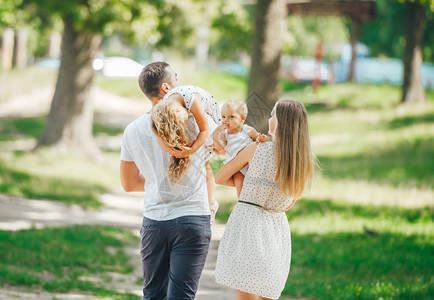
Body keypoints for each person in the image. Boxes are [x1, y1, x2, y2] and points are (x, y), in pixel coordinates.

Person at [120, 61, 213, 299]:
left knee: (153, 295)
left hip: (154, 222)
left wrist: (157, 181)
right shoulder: (191, 119)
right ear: (165, 87)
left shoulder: (132, 130)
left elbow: (129, 184)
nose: (181, 85)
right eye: (177, 79)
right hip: (192, 218)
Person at [214, 100, 316, 300]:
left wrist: (246, 185)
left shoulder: (255, 149)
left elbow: (220, 177)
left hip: (248, 223)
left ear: (277, 123)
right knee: (267, 292)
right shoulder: (302, 163)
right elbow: (289, 202)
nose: (269, 119)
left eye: (272, 115)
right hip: (276, 228)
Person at [213, 99, 268, 197]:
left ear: (242, 118)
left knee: (257, 184)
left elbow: (257, 144)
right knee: (240, 189)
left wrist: (260, 138)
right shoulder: (225, 135)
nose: (226, 120)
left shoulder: (248, 130)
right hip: (236, 169)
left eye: (231, 117)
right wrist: (216, 136)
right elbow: (221, 149)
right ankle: (243, 205)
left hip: (249, 164)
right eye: (223, 116)